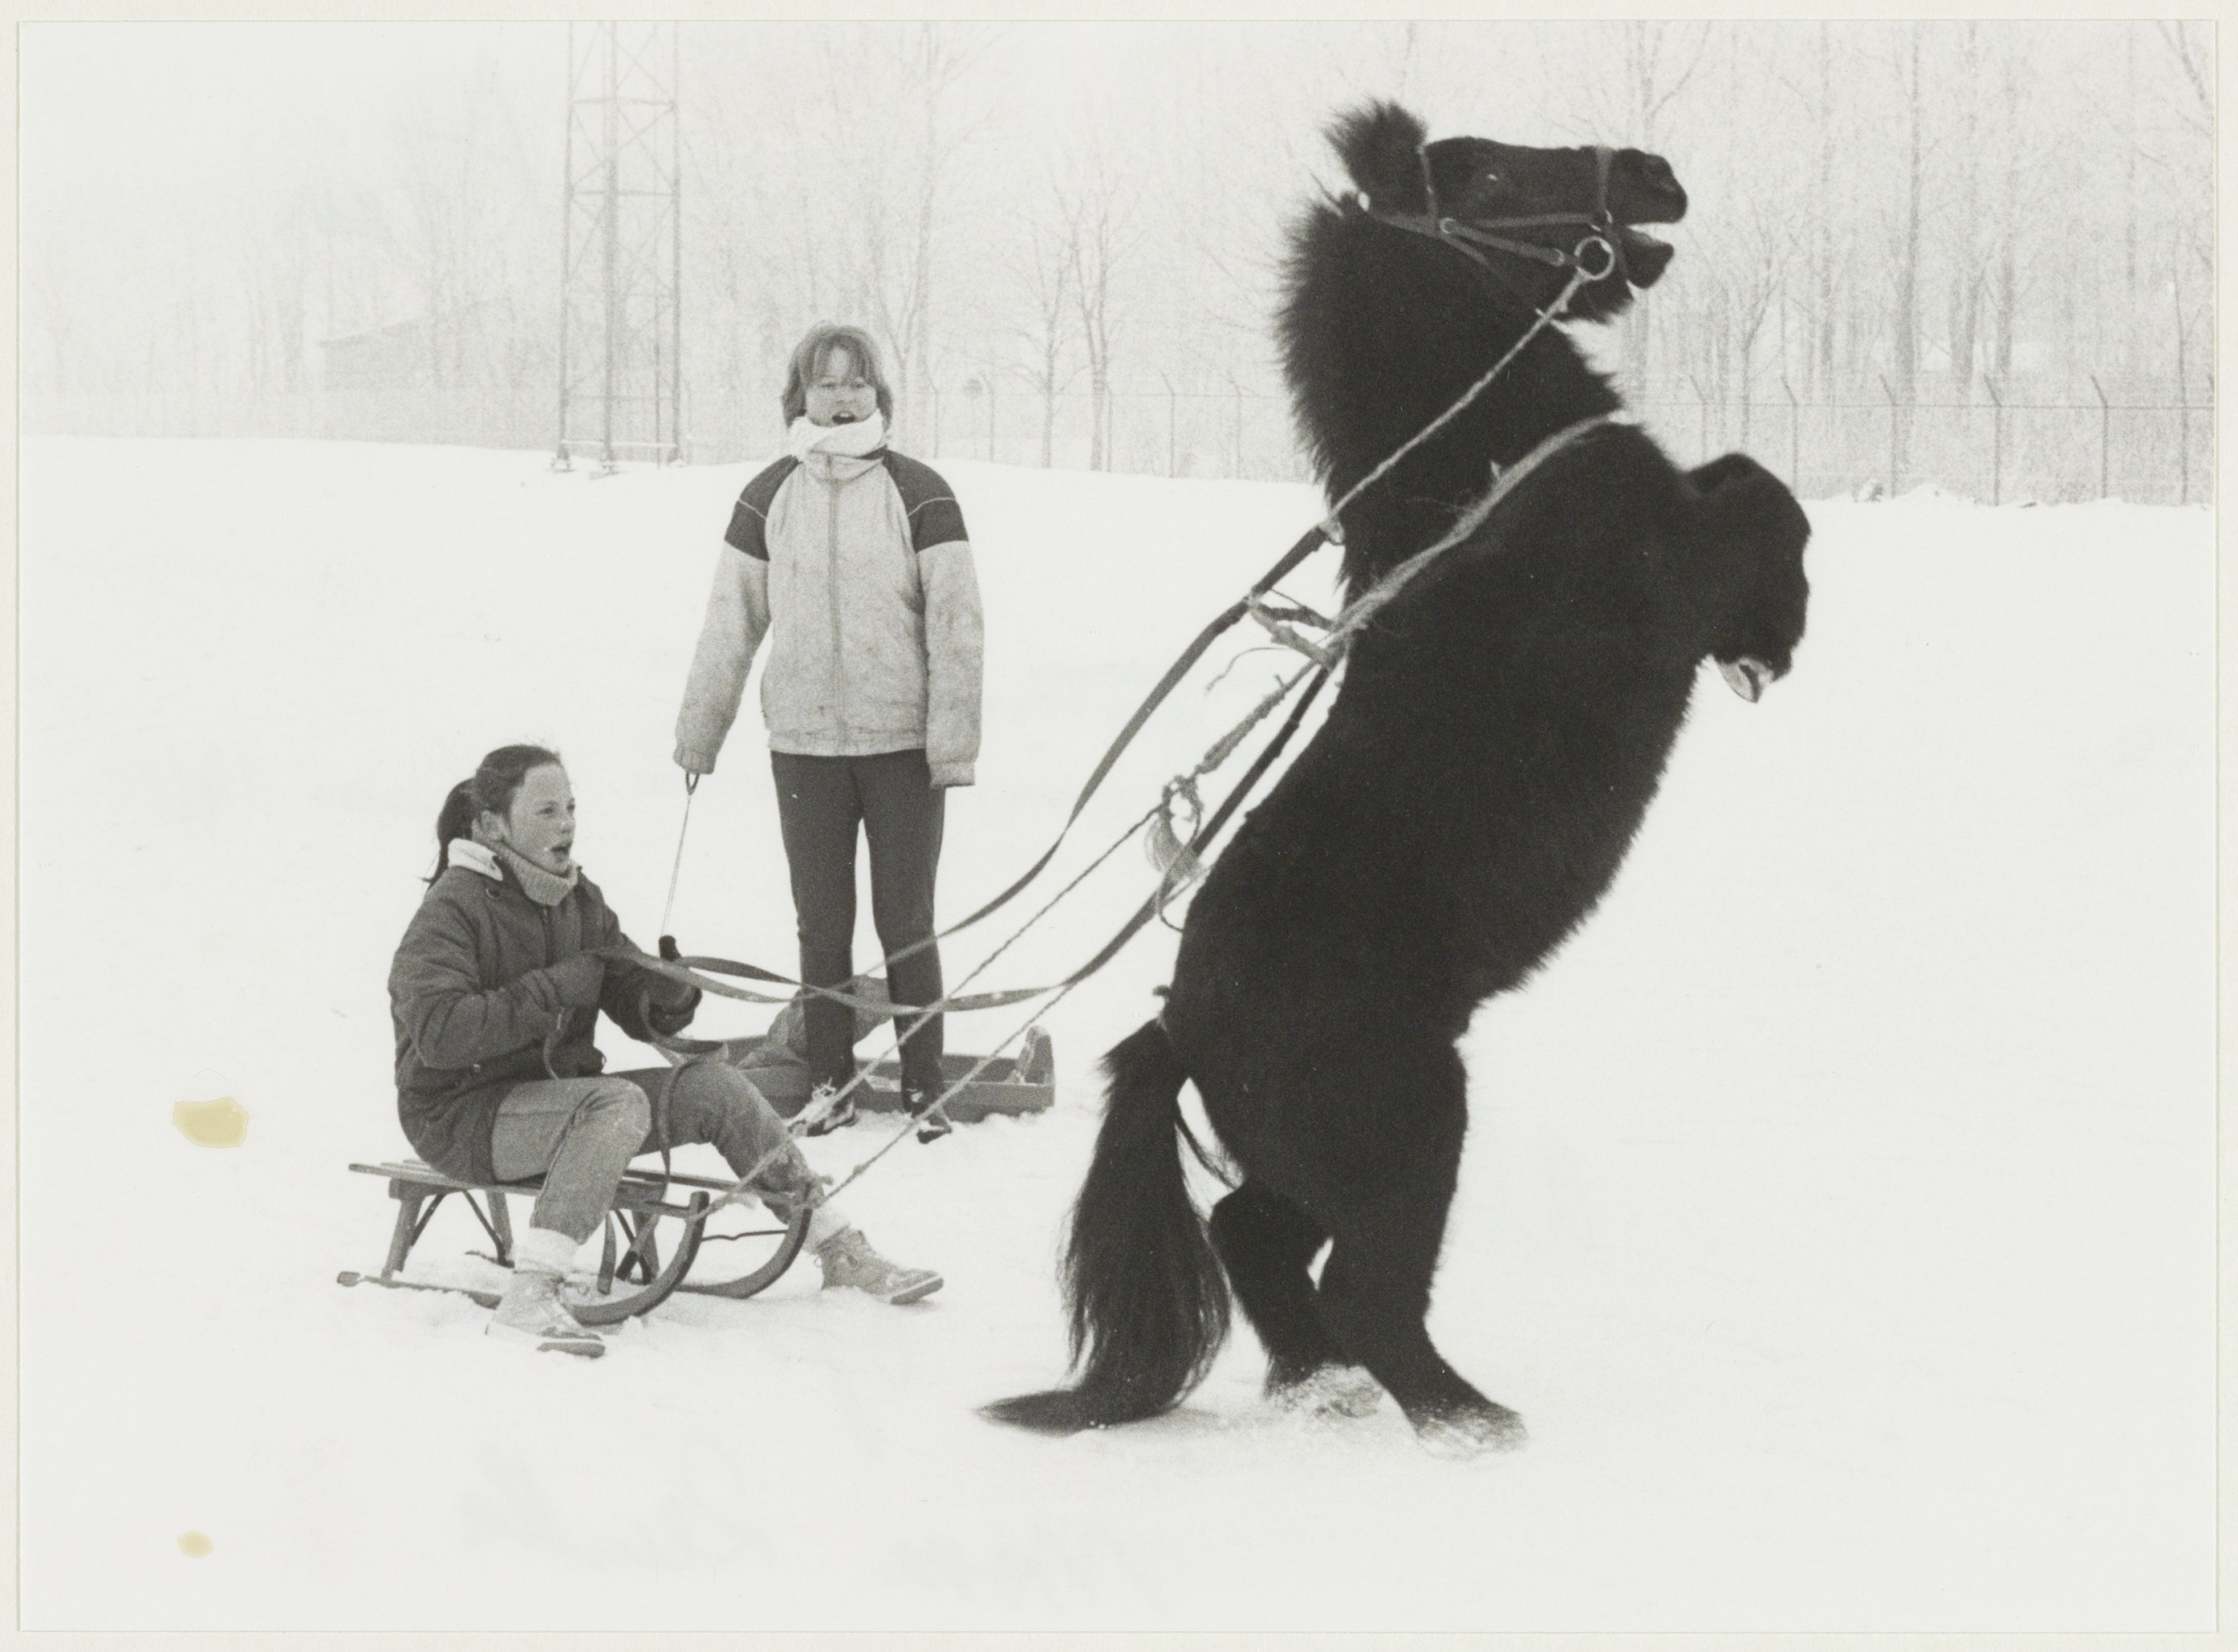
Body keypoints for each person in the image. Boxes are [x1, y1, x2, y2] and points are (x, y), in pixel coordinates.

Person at [388, 744, 943, 1358]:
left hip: (560, 1103)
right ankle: (532, 1291)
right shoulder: (451, 908)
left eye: (570, 806)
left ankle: (838, 1248)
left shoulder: (577, 899)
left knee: (715, 1085)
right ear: (494, 826)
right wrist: (551, 991)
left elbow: (630, 998)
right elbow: (440, 1034)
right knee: (615, 1103)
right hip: (461, 1117)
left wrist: (666, 992)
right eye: (546, 810)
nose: (567, 823)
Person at [674, 323, 984, 1141]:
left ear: (877, 393)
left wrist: (951, 744)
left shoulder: (920, 491)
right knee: (821, 923)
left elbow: (957, 626)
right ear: (799, 397)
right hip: (804, 747)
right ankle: (829, 1085)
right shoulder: (766, 494)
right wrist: (699, 729)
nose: (841, 397)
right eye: (825, 384)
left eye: (855, 382)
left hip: (898, 748)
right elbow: (728, 623)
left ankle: (925, 1091)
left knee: (906, 921)